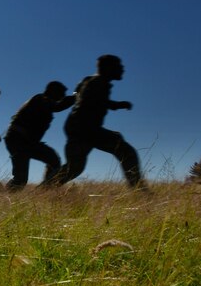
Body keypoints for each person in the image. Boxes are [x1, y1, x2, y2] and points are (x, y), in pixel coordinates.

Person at [55, 54, 146, 189]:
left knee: (75, 167)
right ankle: (139, 190)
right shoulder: (98, 83)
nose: (122, 69)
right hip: (84, 129)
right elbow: (91, 101)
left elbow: (80, 93)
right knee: (126, 152)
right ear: (108, 68)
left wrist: (116, 105)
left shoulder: (91, 80)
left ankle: (46, 187)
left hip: (78, 127)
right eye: (119, 66)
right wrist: (116, 105)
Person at [4, 81, 73, 190]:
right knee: (20, 180)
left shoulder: (43, 101)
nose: (63, 96)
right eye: (61, 94)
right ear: (53, 91)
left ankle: (43, 191)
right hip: (18, 141)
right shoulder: (40, 99)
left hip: (28, 142)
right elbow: (57, 106)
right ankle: (4, 199)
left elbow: (57, 106)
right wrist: (75, 97)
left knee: (53, 160)